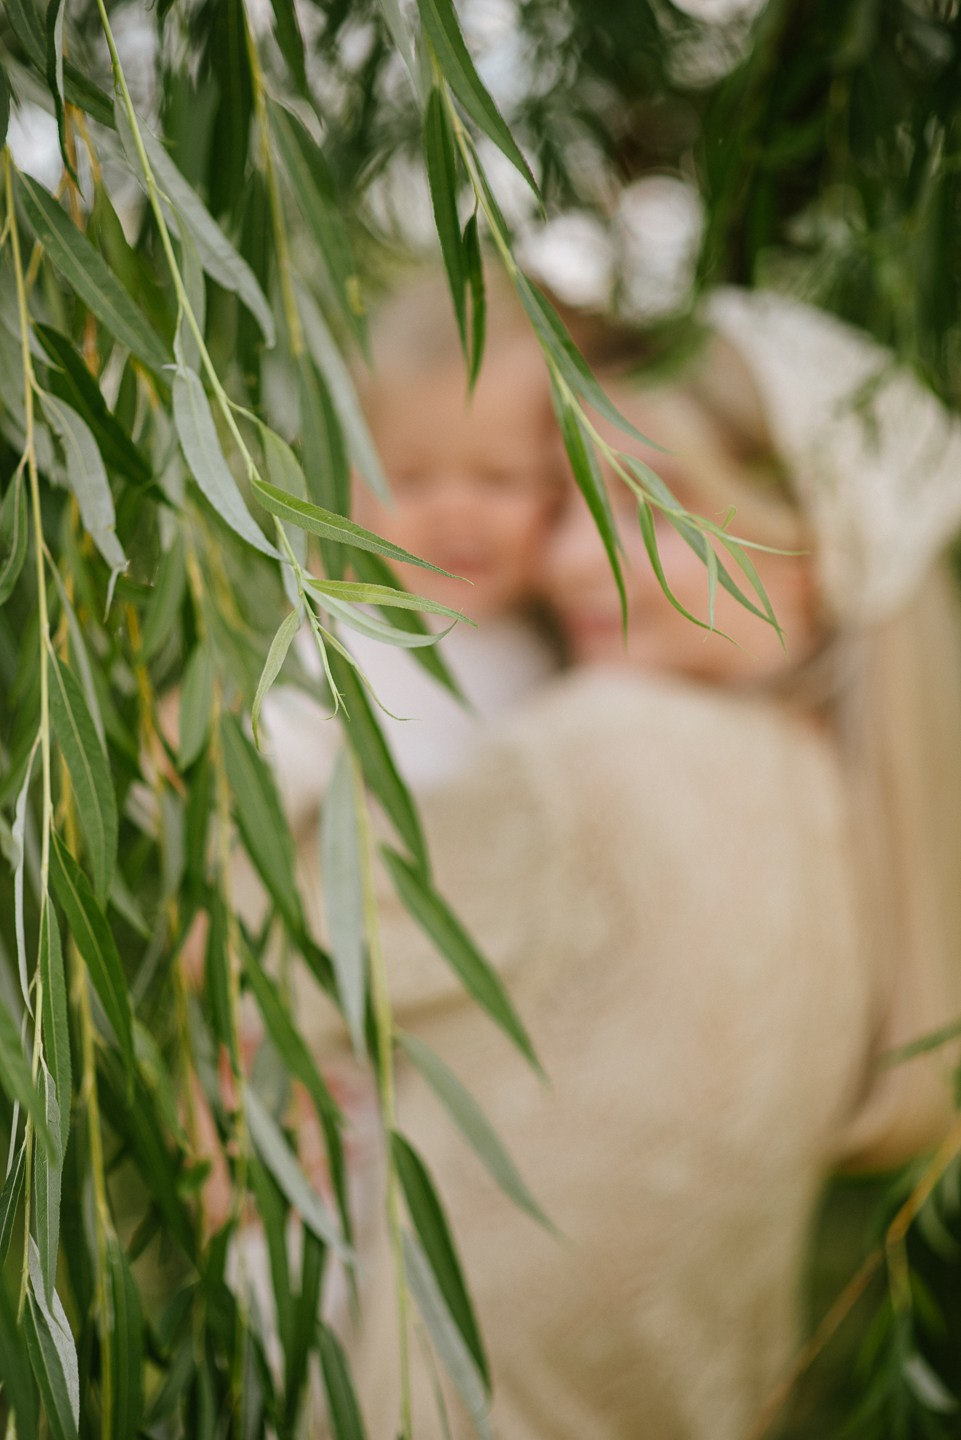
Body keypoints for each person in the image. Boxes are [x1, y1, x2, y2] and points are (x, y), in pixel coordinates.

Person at [296, 288, 961, 1439]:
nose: (566, 562)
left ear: (808, 548)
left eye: (650, 504)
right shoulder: (848, 812)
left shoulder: (606, 757)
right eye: (568, 503)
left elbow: (269, 943)